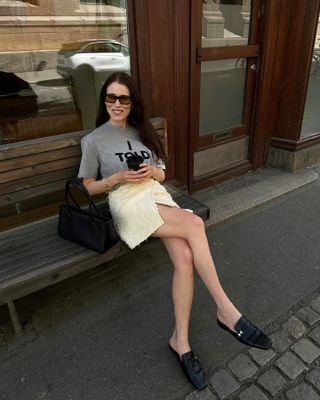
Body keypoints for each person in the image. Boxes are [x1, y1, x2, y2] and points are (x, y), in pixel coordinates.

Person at [78, 71, 272, 391]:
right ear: (104, 101)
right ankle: (226, 310)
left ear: (131, 102)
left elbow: (163, 173)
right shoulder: (93, 140)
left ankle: (180, 341)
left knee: (184, 256)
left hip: (154, 195)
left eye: (123, 98)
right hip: (126, 203)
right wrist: (116, 179)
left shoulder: (143, 131)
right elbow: (88, 187)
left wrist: (152, 171)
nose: (117, 104)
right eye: (110, 97)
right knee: (195, 223)